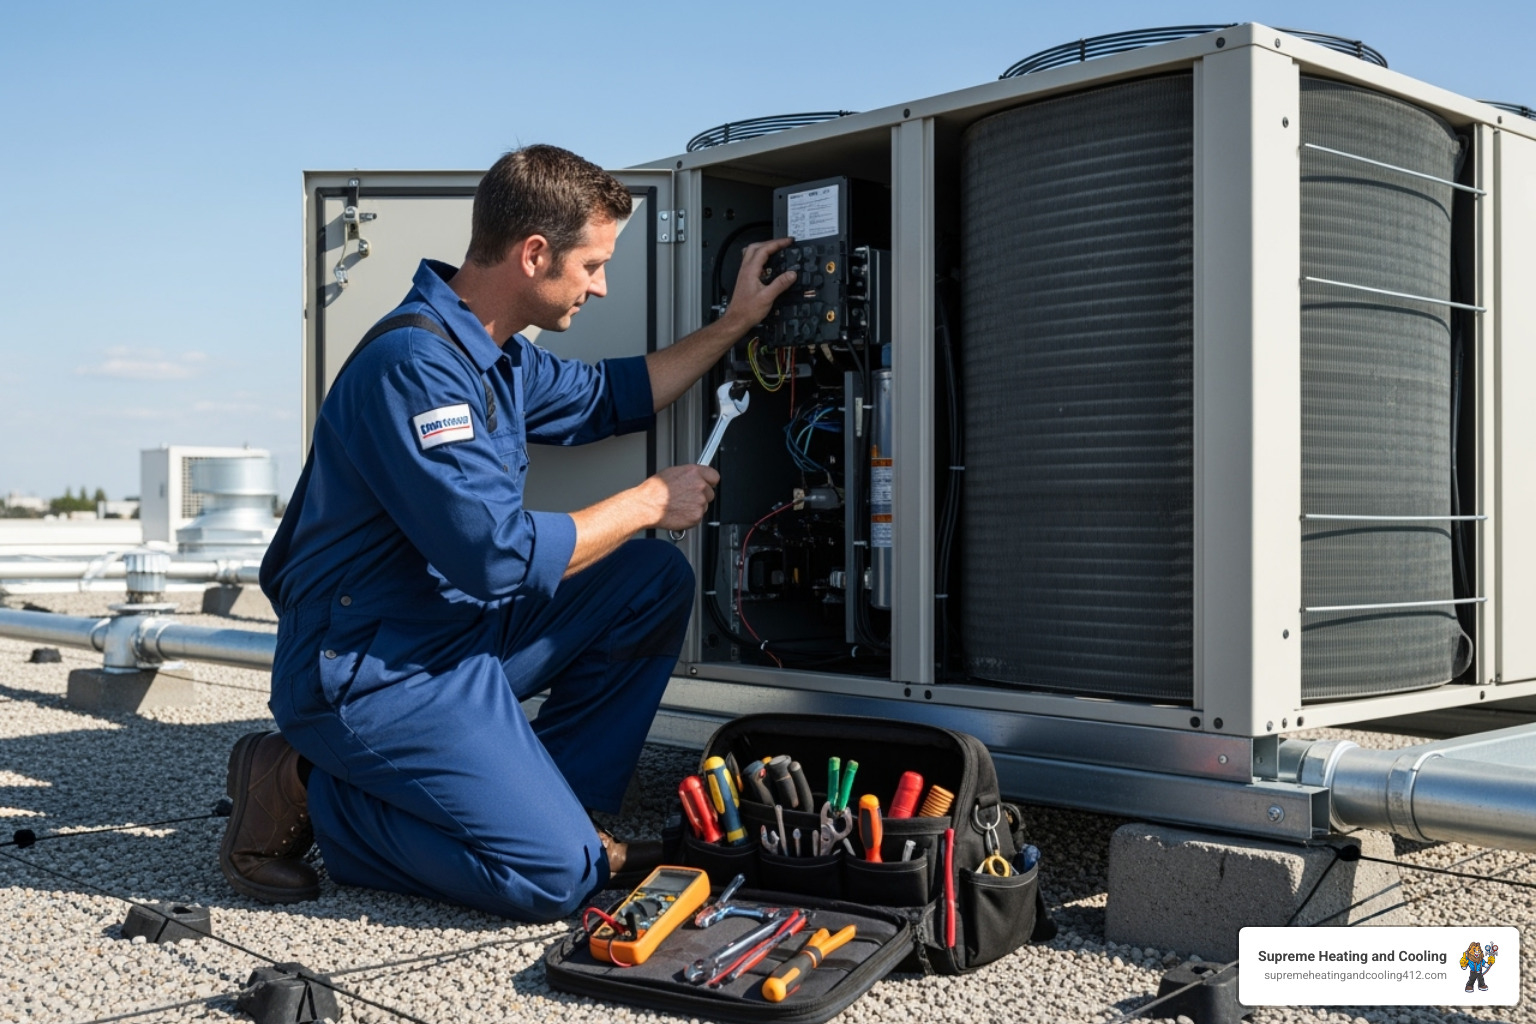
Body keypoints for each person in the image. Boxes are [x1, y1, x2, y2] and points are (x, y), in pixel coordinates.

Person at [220, 144, 795, 922]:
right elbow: (493, 558)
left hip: (452, 635)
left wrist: (735, 324)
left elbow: (614, 395)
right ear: (534, 254)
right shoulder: (417, 366)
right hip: (371, 667)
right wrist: (648, 501)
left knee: (649, 582)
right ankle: (307, 790)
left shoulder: (495, 358)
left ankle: (567, 810)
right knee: (554, 880)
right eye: (592, 264)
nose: (601, 285)